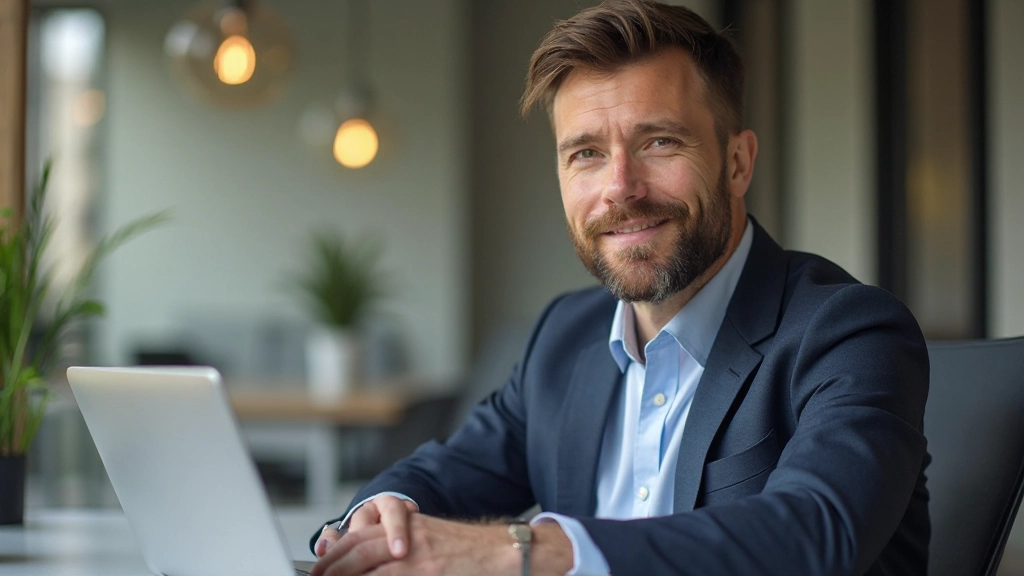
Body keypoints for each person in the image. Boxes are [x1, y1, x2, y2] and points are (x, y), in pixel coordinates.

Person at [308, 1, 930, 574]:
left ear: (738, 163)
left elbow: (815, 533)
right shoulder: (563, 336)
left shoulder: (850, 332)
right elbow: (443, 472)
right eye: (585, 153)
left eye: (659, 142)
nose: (620, 188)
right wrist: (378, 520)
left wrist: (527, 553)